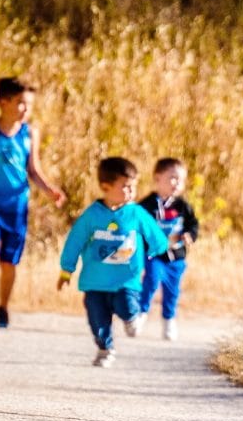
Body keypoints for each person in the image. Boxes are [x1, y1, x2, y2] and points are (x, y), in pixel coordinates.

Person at [0, 76, 66, 328]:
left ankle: (3, 308)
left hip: (17, 207)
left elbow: (33, 169)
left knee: (10, 261)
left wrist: (50, 189)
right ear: (3, 102)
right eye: (21, 103)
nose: (26, 109)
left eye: (29, 104)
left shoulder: (30, 133)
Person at [57, 157, 168, 368]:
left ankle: (133, 317)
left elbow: (156, 236)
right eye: (125, 187)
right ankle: (105, 349)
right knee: (97, 320)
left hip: (126, 281)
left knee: (126, 307)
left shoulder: (136, 213)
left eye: (133, 186)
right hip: (94, 282)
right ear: (105, 187)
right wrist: (66, 271)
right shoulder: (91, 215)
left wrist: (157, 249)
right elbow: (74, 242)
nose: (131, 192)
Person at [135, 157, 199, 340]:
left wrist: (190, 235)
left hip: (176, 257)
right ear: (157, 178)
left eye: (181, 180)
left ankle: (169, 320)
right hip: (154, 255)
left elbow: (193, 224)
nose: (177, 183)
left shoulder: (182, 206)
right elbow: (136, 224)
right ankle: (141, 313)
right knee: (151, 281)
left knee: (172, 291)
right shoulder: (147, 205)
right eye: (172, 178)